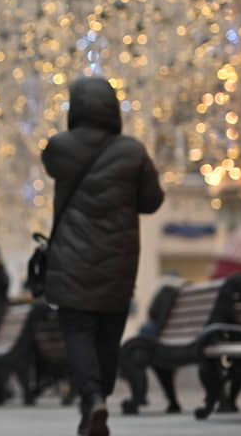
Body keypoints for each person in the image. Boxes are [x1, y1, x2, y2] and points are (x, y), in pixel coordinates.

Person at [40, 76, 164, 436]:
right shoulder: (133, 151)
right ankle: (99, 400)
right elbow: (152, 201)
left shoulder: (59, 148)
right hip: (118, 260)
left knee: (78, 333)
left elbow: (51, 166)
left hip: (70, 259)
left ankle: (92, 397)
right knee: (108, 334)